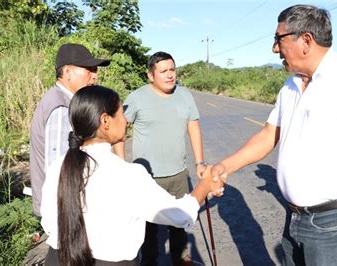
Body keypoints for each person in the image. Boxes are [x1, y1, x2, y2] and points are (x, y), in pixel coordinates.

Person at [209, 4, 337, 266]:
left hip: (332, 223)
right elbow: (268, 135)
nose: (275, 48)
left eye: (278, 39)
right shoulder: (291, 84)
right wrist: (224, 166)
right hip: (294, 216)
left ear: (306, 40)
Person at [40, 86, 223, 265]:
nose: (126, 121)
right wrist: (205, 186)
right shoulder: (128, 174)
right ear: (105, 121)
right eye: (121, 114)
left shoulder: (58, 166)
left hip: (57, 258)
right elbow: (179, 214)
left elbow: (48, 223)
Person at [114, 51, 206, 266]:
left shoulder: (185, 96)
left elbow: (193, 127)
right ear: (150, 75)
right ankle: (149, 262)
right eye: (163, 71)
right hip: (147, 178)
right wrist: (121, 165)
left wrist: (199, 162)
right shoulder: (137, 98)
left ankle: (182, 260)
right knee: (148, 229)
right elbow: (118, 131)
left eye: (172, 69)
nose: (169, 75)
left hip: (178, 174)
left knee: (181, 224)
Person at [30, 43, 110, 217]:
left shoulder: (67, 102)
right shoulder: (61, 108)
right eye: (89, 70)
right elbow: (59, 169)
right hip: (64, 209)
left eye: (95, 70)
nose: (94, 76)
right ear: (67, 72)